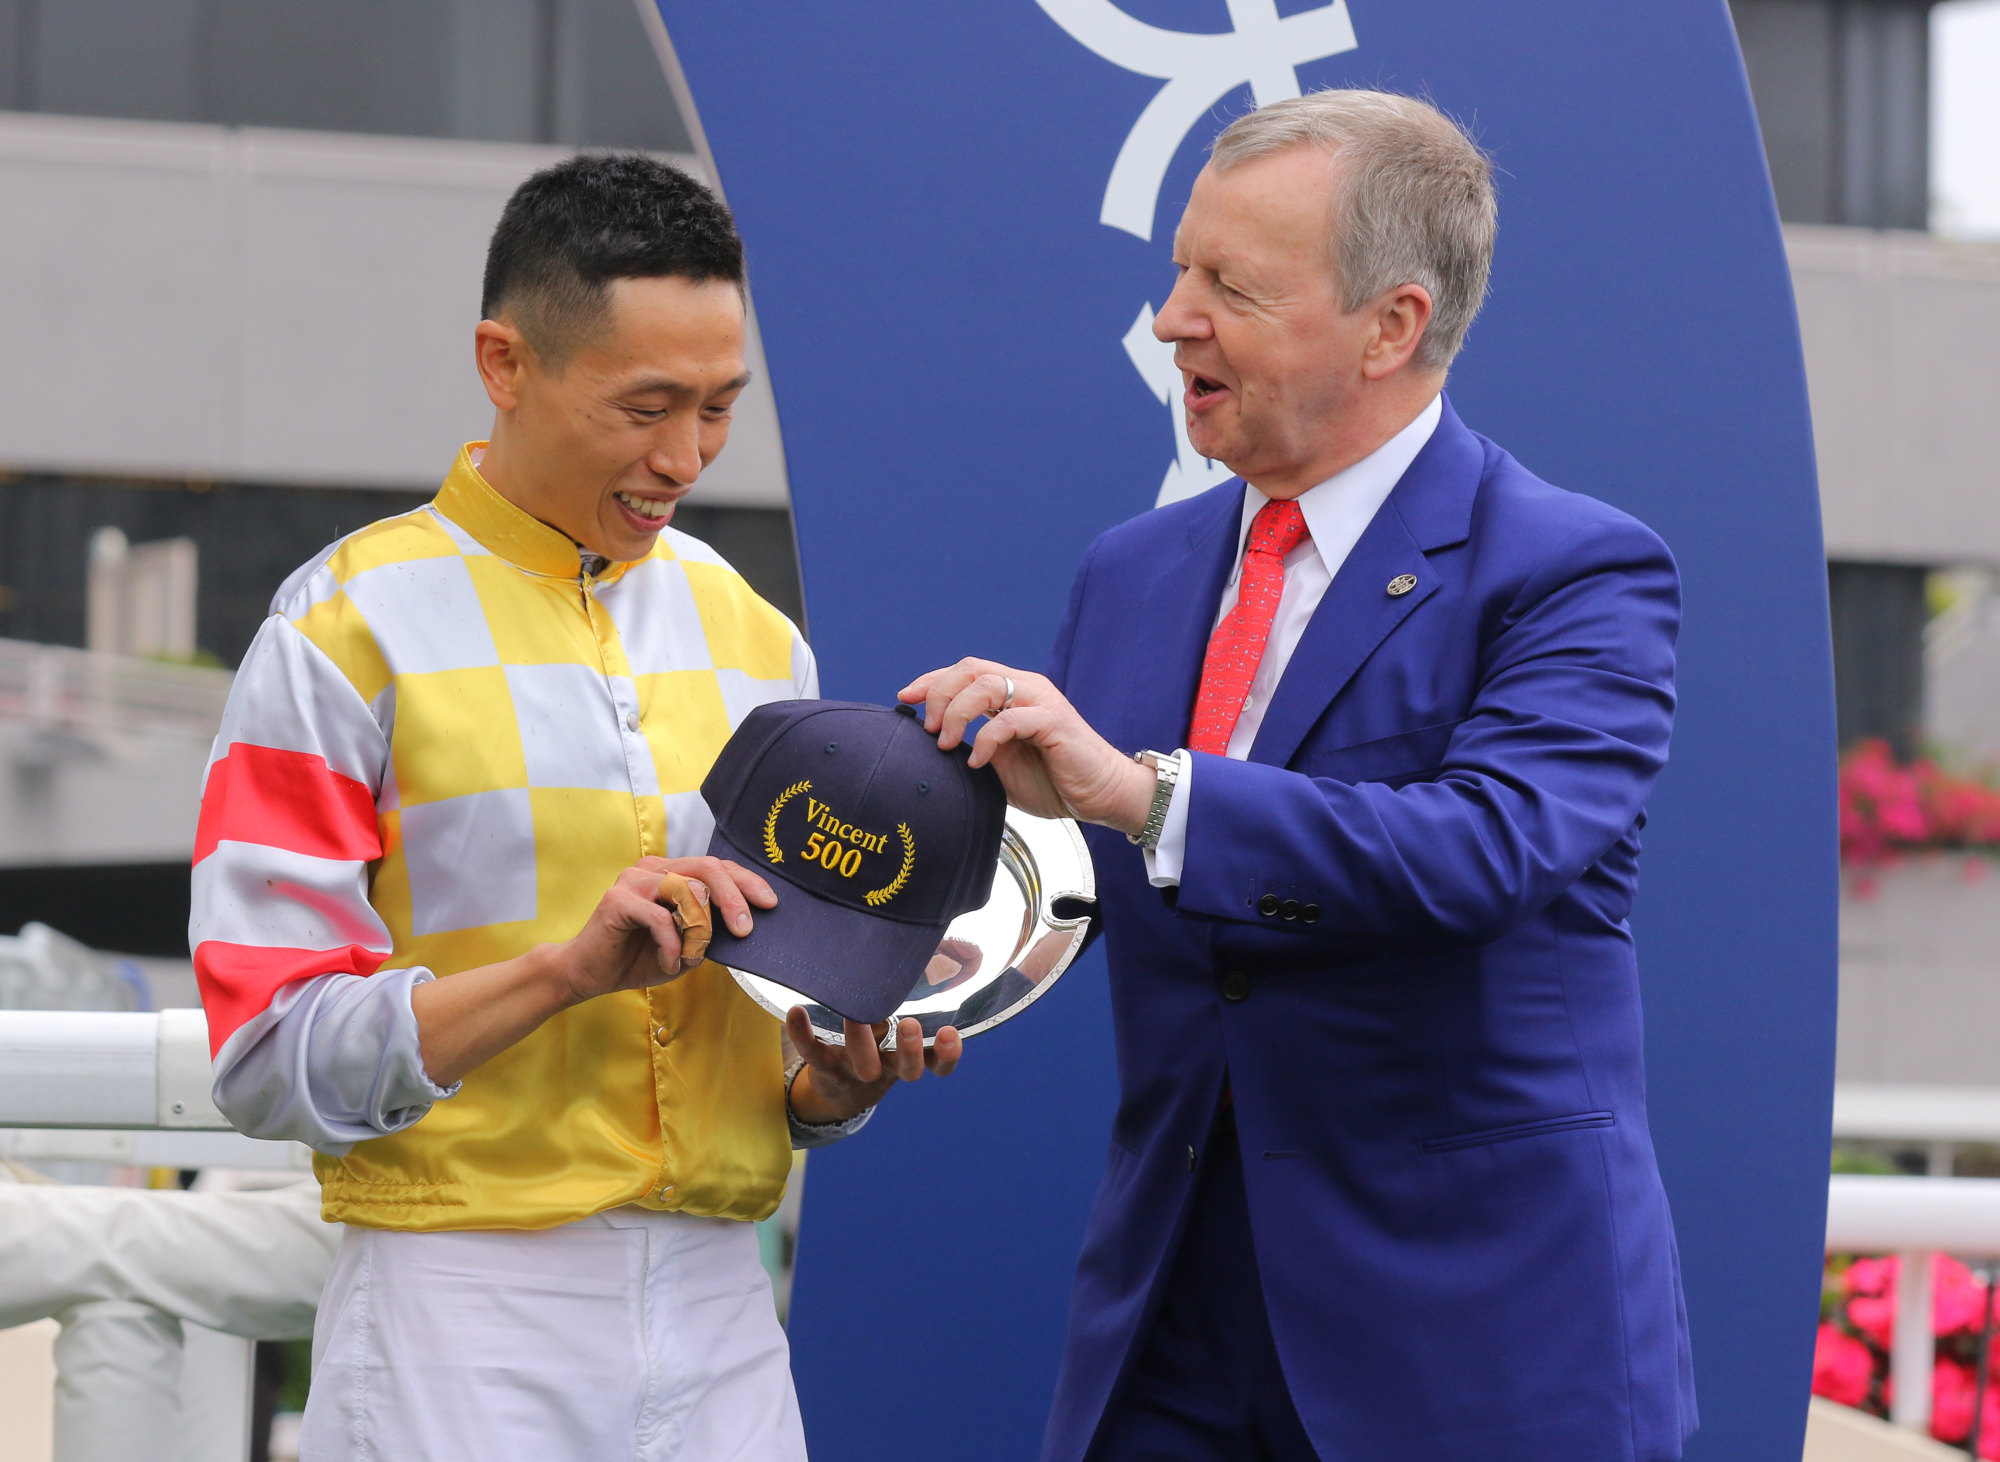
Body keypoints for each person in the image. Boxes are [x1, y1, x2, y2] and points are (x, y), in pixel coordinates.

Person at [906, 90, 1695, 1461]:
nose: (1171, 319)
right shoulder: (1131, 571)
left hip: (1469, 1346)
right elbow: (1081, 878)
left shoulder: (1575, 571)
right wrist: (882, 972)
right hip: (1169, 1330)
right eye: (1178, 271)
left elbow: (1483, 850)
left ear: (1391, 326)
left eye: (1230, 286)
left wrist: (1139, 790)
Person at [190, 154, 960, 1461]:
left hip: (725, 1297)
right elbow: (267, 1056)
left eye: (719, 406)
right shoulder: (338, 631)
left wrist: (829, 1082)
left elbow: (774, 1026)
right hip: (458, 1297)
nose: (685, 456)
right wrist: (561, 971)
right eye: (647, 405)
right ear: (505, 361)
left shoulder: (757, 638)